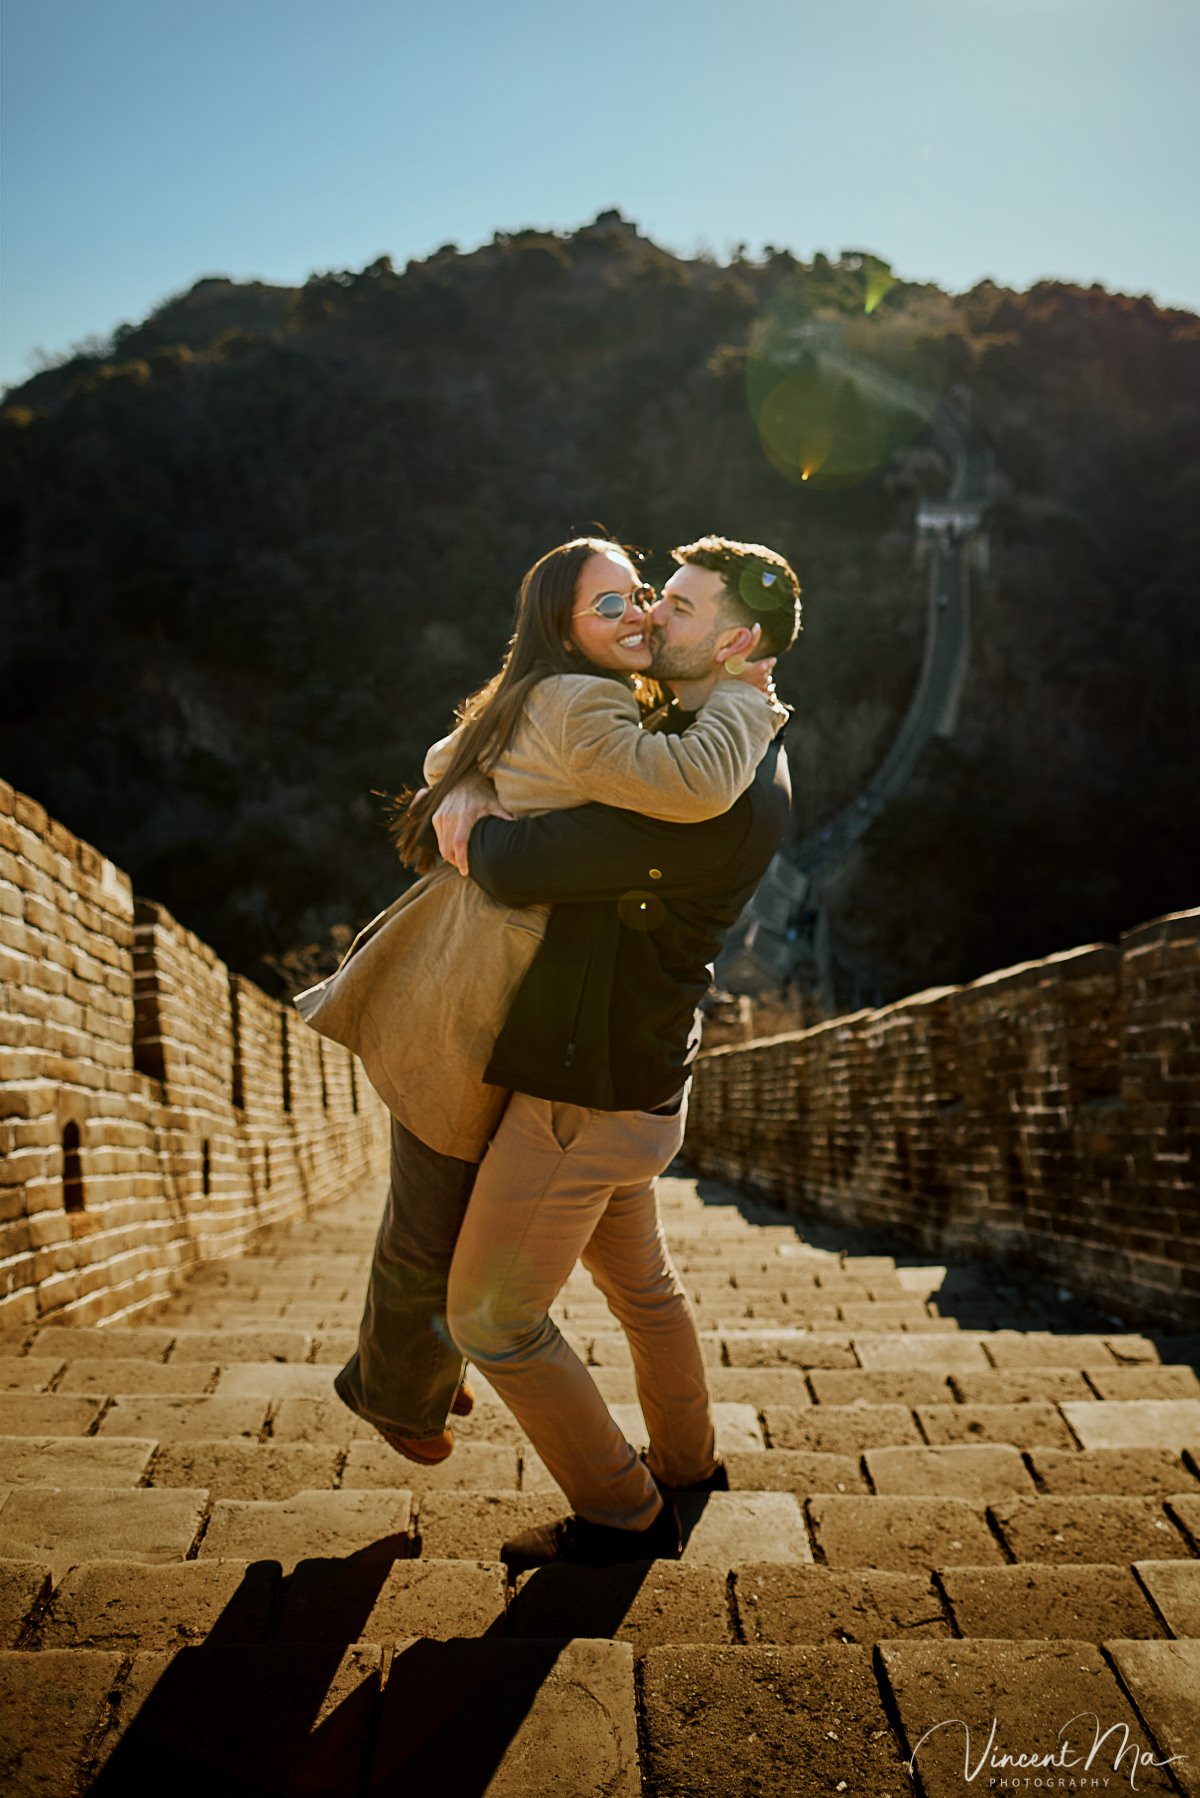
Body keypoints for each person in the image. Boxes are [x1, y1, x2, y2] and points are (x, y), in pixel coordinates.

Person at [295, 535, 786, 1459]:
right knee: (436, 1203)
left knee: (484, 1212)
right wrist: (754, 704)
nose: (639, 613)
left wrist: (472, 780)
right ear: (562, 633)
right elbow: (691, 786)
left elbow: (455, 744)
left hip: (511, 991)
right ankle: (401, 1398)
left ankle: (415, 1381)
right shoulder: (585, 698)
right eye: (612, 606)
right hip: (472, 977)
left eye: (642, 595)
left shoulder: (592, 692)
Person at [431, 535, 801, 1570]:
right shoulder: (724, 732)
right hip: (637, 1075)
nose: (651, 618)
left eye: (675, 608)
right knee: (643, 1290)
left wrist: (471, 814)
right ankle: (688, 1463)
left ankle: (621, 1513)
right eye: (647, 598)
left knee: (492, 1315)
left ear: (736, 638)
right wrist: (463, 778)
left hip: (584, 1092)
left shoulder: (718, 786)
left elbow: (522, 861)